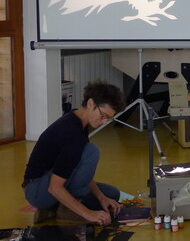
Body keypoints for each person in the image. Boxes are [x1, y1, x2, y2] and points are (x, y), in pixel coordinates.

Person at [23, 80, 126, 225]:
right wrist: (88, 214)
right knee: (92, 151)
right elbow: (54, 187)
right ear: (91, 103)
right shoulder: (71, 132)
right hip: (38, 190)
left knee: (111, 194)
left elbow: (76, 167)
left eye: (108, 119)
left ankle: (54, 208)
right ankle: (67, 209)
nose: (104, 122)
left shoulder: (78, 121)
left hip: (51, 183)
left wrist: (102, 197)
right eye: (103, 116)